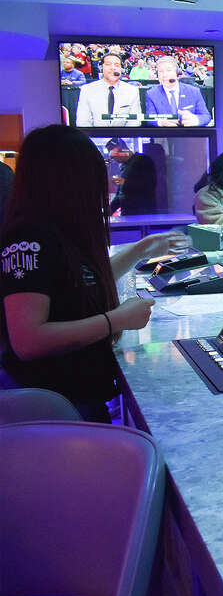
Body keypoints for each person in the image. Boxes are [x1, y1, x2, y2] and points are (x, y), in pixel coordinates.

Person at [0, 125, 188, 421]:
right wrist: (115, 319)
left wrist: (141, 249)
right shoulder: (30, 238)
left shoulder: (57, 229)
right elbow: (28, 340)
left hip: (78, 394)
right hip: (55, 407)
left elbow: (81, 281)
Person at [74, 51, 142, 127]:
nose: (113, 68)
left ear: (121, 69)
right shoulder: (87, 90)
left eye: (117, 65)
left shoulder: (132, 91)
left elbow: (135, 121)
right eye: (108, 64)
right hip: (95, 138)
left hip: (124, 137)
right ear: (101, 68)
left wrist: (123, 138)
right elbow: (83, 121)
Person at [144, 56, 212, 126]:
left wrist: (196, 120)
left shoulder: (194, 91)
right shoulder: (151, 93)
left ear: (177, 72)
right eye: (160, 71)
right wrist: (160, 122)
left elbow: (206, 116)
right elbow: (149, 119)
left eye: (169, 70)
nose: (164, 75)